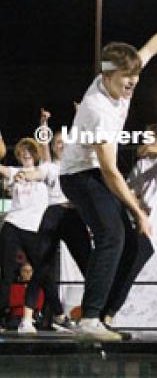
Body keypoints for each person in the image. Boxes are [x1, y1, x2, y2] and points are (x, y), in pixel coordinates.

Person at [60, 1, 157, 341]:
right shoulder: (98, 109)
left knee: (136, 243)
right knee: (112, 235)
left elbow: (152, 45)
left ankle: (104, 314)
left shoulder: (119, 73)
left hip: (95, 174)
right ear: (106, 77)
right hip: (79, 176)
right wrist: (138, 210)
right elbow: (109, 171)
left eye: (135, 78)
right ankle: (89, 318)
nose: (132, 85)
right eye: (125, 80)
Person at [17, 110, 93, 334]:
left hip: (74, 216)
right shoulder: (51, 166)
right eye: (57, 142)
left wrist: (81, 116)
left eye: (64, 142)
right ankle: (27, 320)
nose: (61, 144)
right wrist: (25, 175)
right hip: (53, 215)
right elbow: (39, 167)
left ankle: (92, 317)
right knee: (41, 267)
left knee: (89, 266)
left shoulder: (79, 165)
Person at [100, 125, 157, 328]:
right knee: (129, 267)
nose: (148, 142)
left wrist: (155, 149)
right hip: (149, 221)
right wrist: (138, 209)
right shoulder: (142, 164)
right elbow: (129, 190)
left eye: (152, 137)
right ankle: (107, 313)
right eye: (146, 138)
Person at [0, 138, 64, 331]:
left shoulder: (45, 170)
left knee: (43, 272)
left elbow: (46, 151)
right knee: (7, 273)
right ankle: (1, 317)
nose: (26, 154)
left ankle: (58, 314)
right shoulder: (14, 172)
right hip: (12, 224)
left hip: (34, 229)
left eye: (29, 150)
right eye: (22, 151)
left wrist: (44, 126)